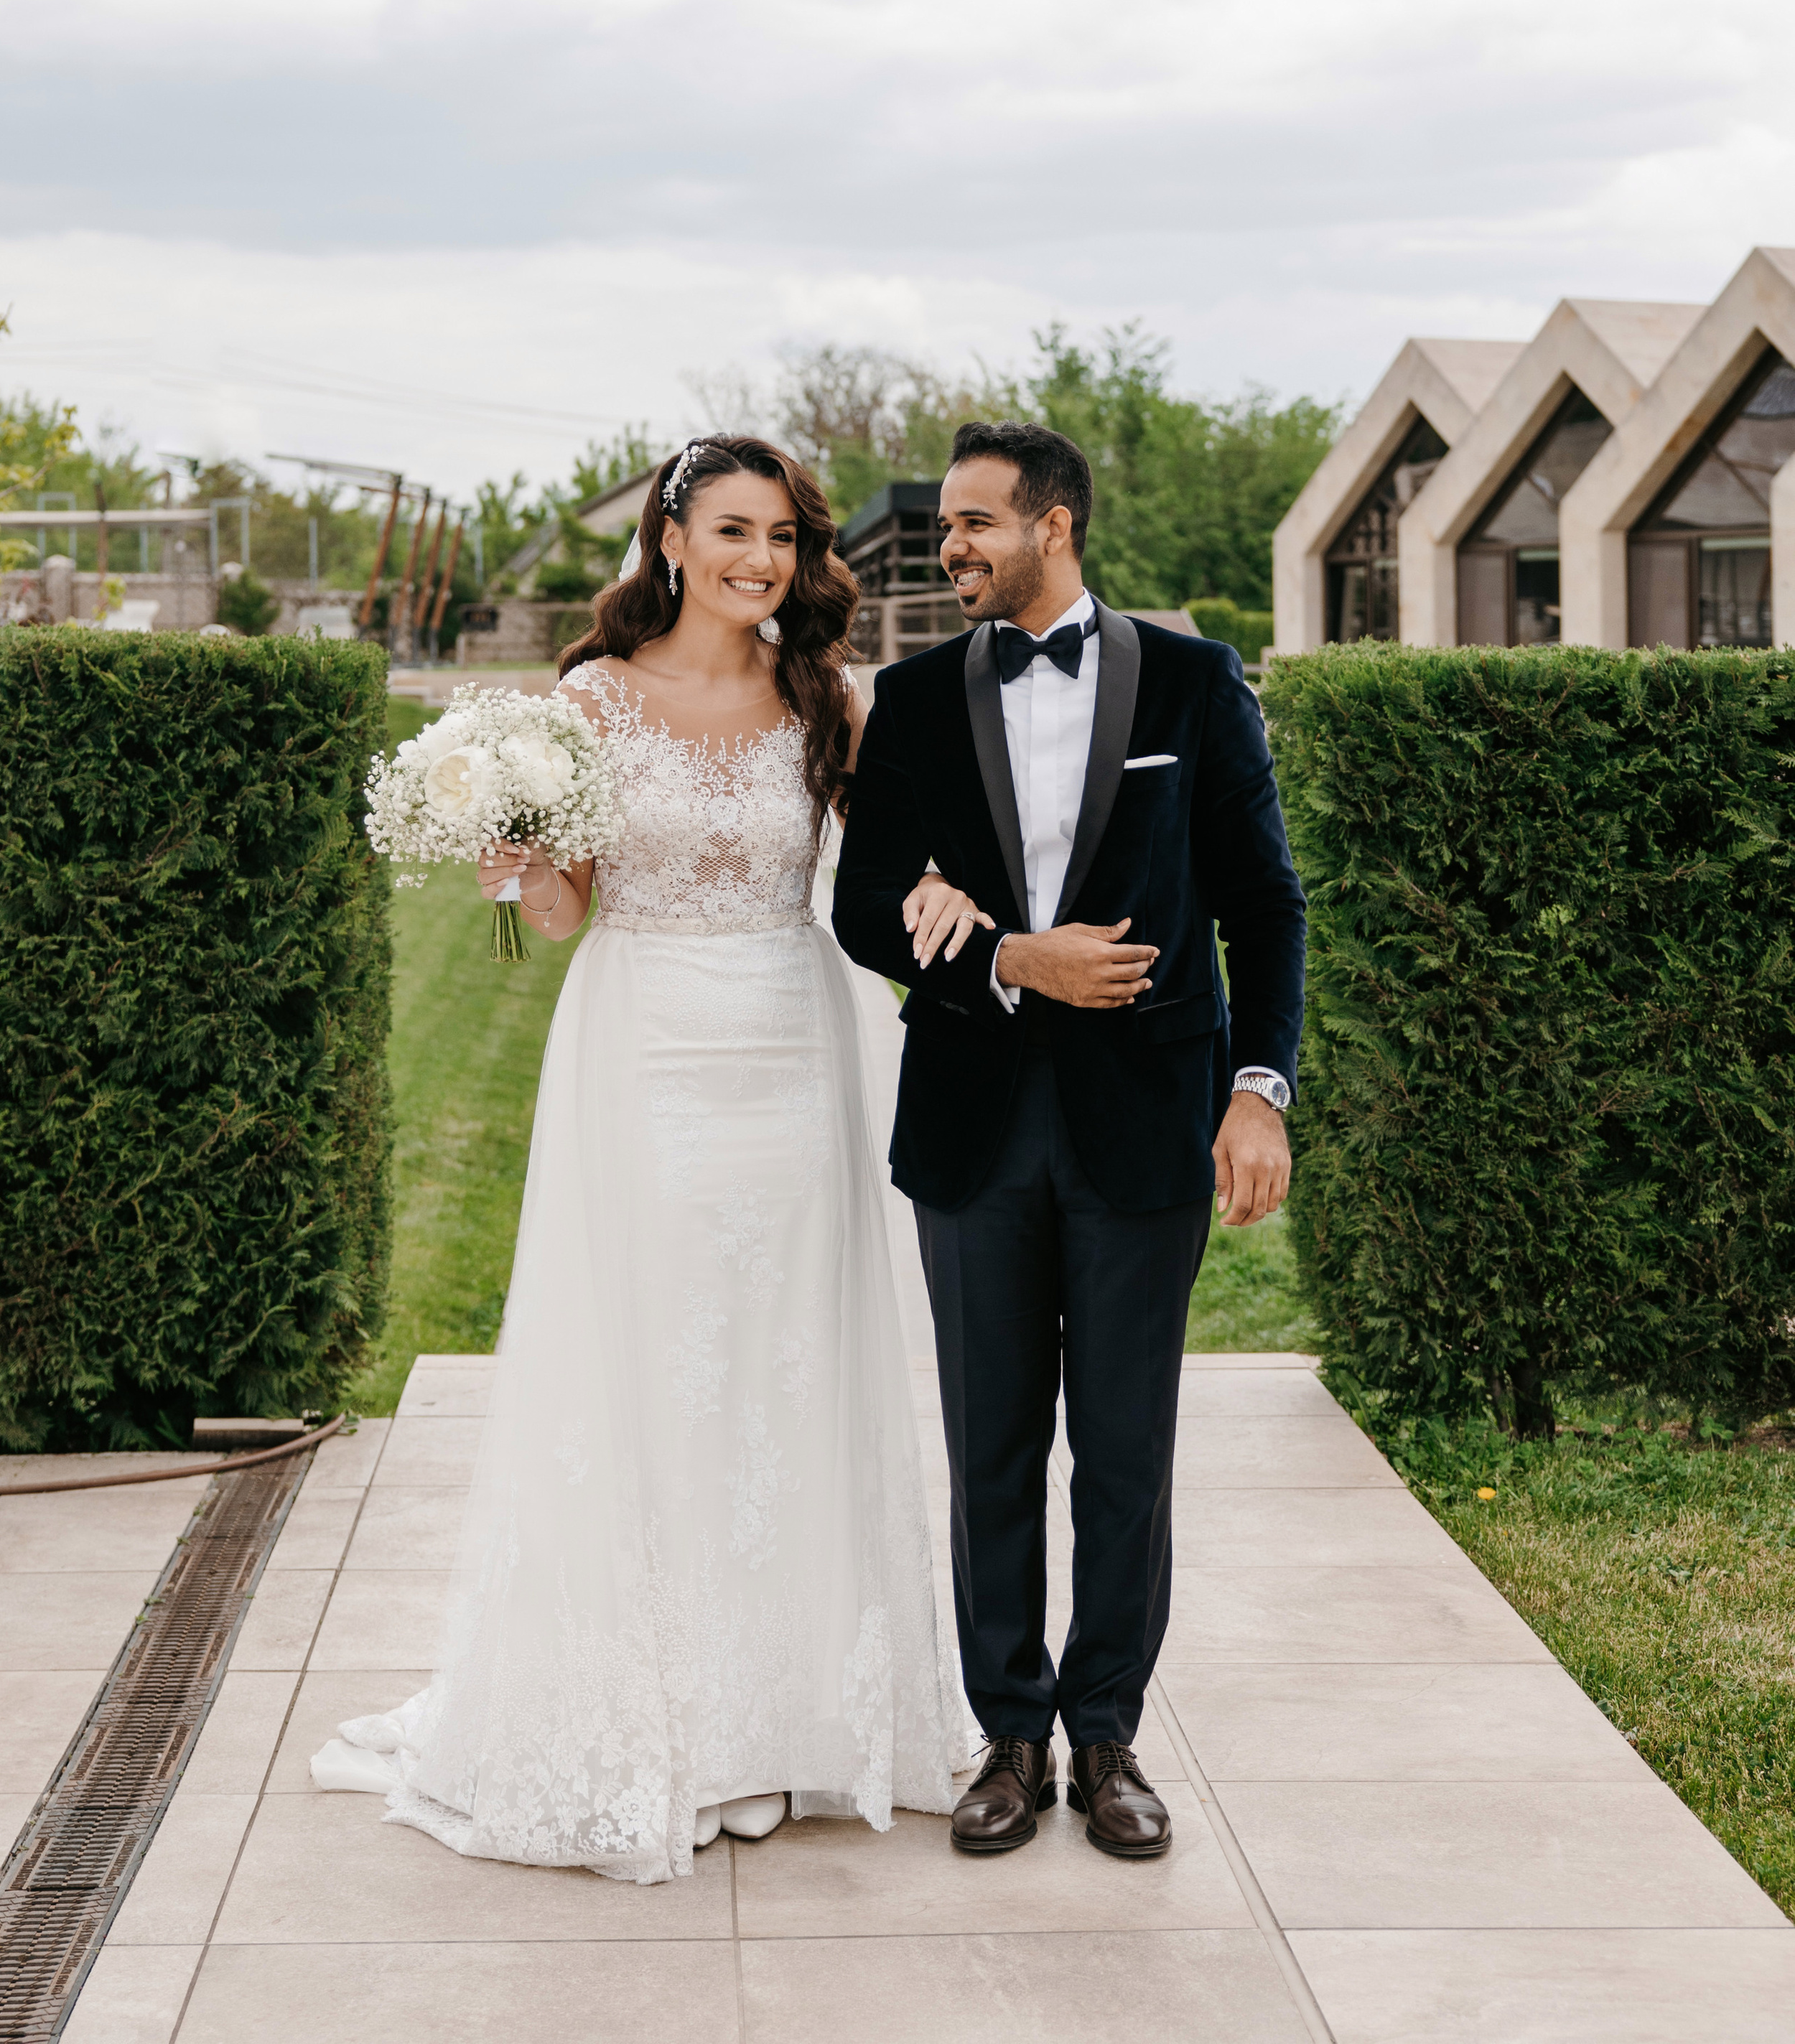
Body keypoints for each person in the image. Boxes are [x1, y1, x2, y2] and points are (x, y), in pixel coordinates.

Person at [315, 436, 974, 1881]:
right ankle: (662, 1714)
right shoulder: (590, 703)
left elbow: (890, 864)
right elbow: (564, 917)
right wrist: (516, 861)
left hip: (795, 1046)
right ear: (668, 541)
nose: (761, 559)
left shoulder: (827, 698)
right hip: (645, 1047)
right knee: (652, 1358)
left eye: (783, 537)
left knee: (786, 1355)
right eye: (733, 530)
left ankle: (789, 1711)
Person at [833, 419, 1305, 1860]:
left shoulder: (1192, 682)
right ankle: (1008, 1735)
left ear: (1053, 525)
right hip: (972, 1125)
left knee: (1122, 1448)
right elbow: (864, 910)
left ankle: (1106, 1736)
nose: (950, 548)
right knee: (986, 1443)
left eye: (975, 523)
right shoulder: (909, 701)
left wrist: (1256, 1089)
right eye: (946, 530)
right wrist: (1009, 963)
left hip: (1147, 1120)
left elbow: (1263, 906)